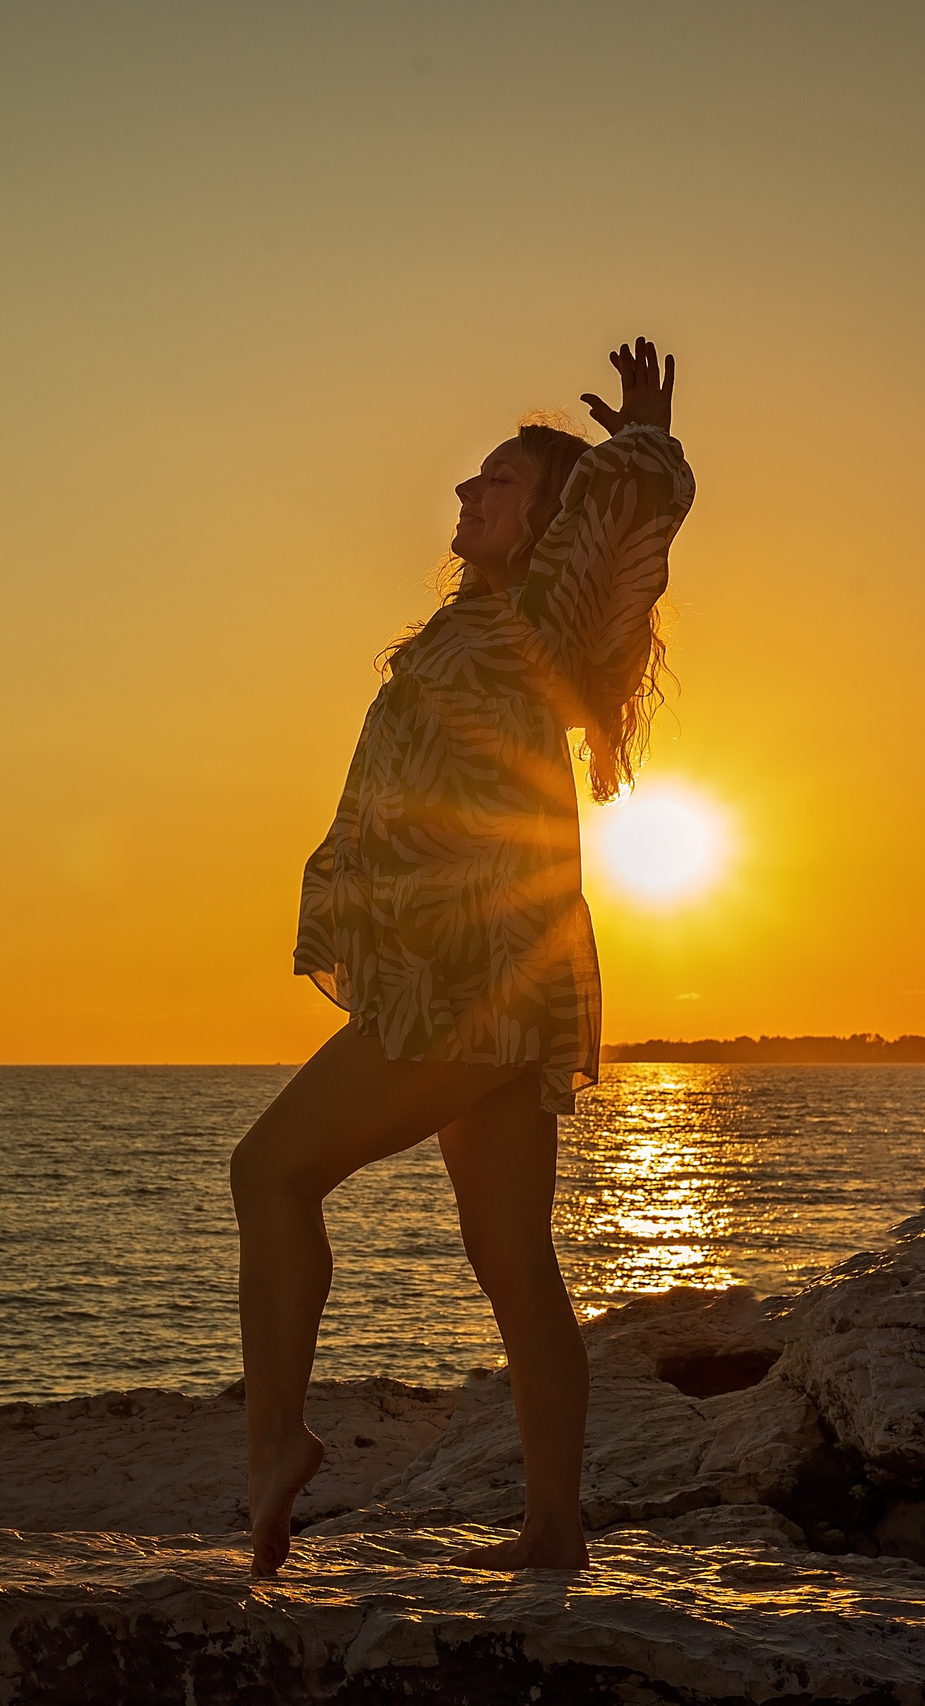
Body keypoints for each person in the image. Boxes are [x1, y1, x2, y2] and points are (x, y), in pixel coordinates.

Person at [229, 337, 695, 1576]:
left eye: (494, 483)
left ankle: (276, 1440)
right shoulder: (482, 622)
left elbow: (634, 504)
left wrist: (638, 437)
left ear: (546, 521)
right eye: (468, 480)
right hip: (504, 970)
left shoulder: (546, 610)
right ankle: (552, 1533)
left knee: (269, 1171)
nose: (463, 496)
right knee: (513, 1259)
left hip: (468, 970)